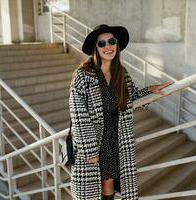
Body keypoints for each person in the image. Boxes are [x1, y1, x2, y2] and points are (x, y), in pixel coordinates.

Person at [69, 24, 172, 200]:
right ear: (96, 47)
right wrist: (89, 151)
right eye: (102, 43)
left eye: (111, 41)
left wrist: (150, 90)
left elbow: (131, 99)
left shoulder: (121, 74)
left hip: (115, 137)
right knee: (91, 188)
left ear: (117, 44)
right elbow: (78, 116)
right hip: (94, 139)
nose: (108, 46)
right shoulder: (83, 75)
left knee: (109, 181)